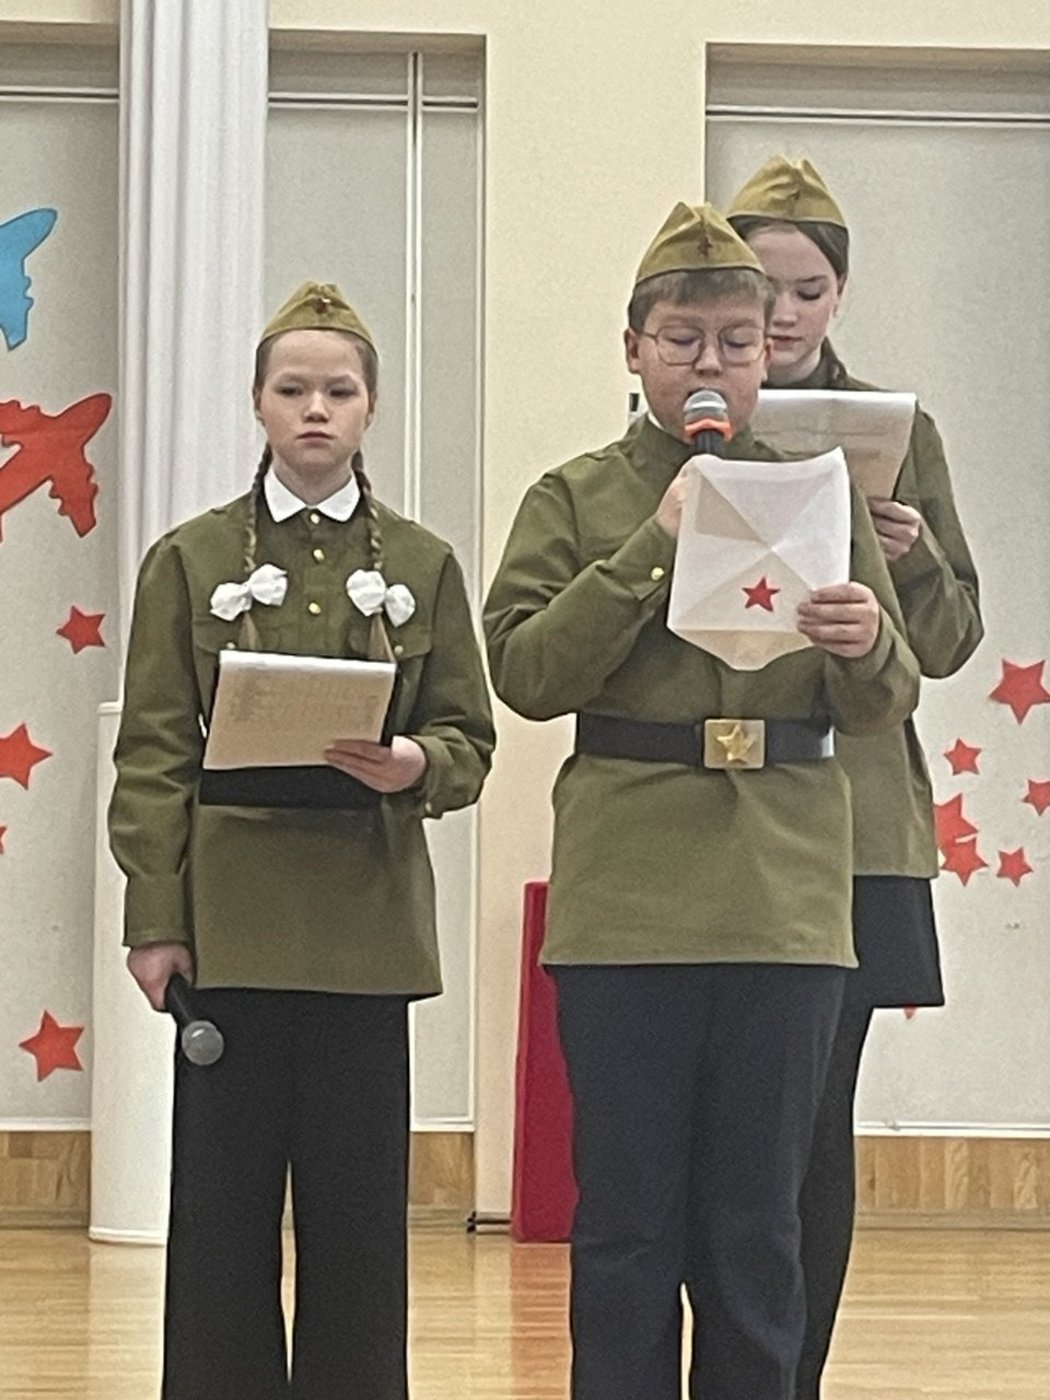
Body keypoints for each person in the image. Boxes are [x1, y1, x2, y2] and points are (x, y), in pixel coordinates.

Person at [483, 203, 921, 1400]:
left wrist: (864, 639)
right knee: (627, 1225)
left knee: (757, 1229)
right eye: (683, 341)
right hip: (629, 899)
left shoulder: (818, 492)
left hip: (783, 897)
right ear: (634, 350)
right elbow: (525, 670)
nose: (712, 365)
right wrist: (651, 545)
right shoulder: (576, 496)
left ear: (769, 353)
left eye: (737, 341)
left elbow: (884, 698)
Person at [108, 281, 495, 1400]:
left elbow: (471, 736)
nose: (315, 410)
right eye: (293, 389)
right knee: (221, 1221)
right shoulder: (189, 559)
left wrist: (417, 763)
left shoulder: (422, 563)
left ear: (371, 406)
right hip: (233, 928)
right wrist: (154, 918)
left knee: (359, 1222)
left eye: (338, 390)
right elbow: (153, 750)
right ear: (258, 403)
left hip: (364, 929)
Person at [727, 155, 983, 1398]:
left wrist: (913, 555)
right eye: (760, 288)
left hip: (854, 817)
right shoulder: (686, 420)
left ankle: (794, 1375)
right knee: (724, 1131)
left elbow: (951, 639)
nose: (782, 314)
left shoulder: (899, 430)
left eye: (808, 289)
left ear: (840, 295)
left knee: (811, 1122)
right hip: (718, 813)